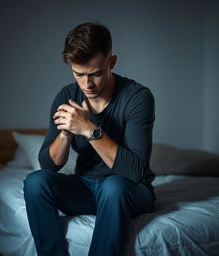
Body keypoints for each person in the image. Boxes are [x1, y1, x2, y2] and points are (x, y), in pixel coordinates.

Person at [23, 22, 156, 256]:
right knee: (35, 181)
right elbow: (48, 165)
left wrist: (89, 130)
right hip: (86, 188)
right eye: (79, 74)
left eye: (95, 74)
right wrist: (67, 131)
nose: (87, 84)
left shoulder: (138, 97)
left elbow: (135, 171)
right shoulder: (66, 95)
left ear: (111, 62)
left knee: (113, 185)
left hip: (131, 191)